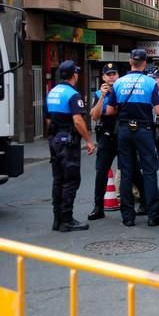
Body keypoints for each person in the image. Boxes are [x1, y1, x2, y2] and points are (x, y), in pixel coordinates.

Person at [107, 49, 159, 227]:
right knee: (149, 171)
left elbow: (110, 111)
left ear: (130, 61)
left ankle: (128, 217)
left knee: (126, 172)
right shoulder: (150, 83)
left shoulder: (119, 83)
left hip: (125, 130)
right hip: (144, 130)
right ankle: (153, 215)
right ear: (145, 62)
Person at [45, 60, 96, 232]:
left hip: (54, 140)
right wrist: (88, 140)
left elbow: (48, 120)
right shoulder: (72, 94)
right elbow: (78, 120)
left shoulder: (52, 92)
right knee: (71, 180)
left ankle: (56, 219)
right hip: (68, 142)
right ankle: (66, 220)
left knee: (58, 180)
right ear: (74, 75)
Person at [88, 63, 119, 221]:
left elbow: (114, 111)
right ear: (103, 77)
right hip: (106, 136)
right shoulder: (99, 94)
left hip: (121, 135)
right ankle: (98, 207)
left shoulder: (121, 90)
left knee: (131, 170)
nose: (112, 76)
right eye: (109, 74)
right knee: (101, 172)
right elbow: (94, 116)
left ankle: (143, 203)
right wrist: (101, 96)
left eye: (114, 73)